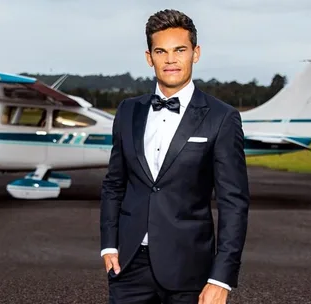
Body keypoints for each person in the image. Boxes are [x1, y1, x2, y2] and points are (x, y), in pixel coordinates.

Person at [100, 9, 250, 304]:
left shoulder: (222, 117)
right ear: (149, 57)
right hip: (129, 267)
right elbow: (114, 184)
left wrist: (221, 277)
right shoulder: (128, 111)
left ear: (196, 53)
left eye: (180, 50)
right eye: (161, 51)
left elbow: (233, 203)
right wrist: (109, 245)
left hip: (190, 269)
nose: (170, 59)